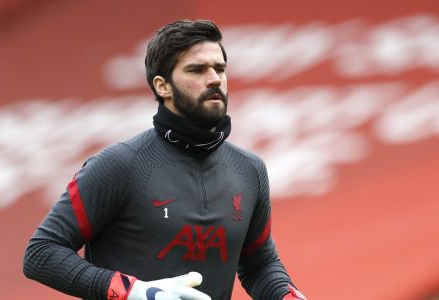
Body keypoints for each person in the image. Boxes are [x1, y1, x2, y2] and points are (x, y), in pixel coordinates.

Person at [23, 19, 307, 300]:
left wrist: (287, 296)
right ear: (163, 86)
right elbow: (41, 252)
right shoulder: (119, 165)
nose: (214, 79)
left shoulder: (249, 170)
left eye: (219, 69)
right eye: (197, 70)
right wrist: (134, 292)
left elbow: (259, 264)